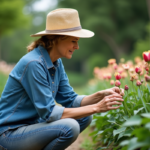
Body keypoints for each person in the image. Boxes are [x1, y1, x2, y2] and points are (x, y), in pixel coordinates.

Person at [0, 8, 124, 150]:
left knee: (85, 116)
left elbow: (70, 100)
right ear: (56, 38)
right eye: (73, 41)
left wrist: (100, 95)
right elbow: (50, 113)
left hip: (32, 127)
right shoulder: (33, 63)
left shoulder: (56, 62)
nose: (77, 46)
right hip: (9, 134)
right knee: (69, 127)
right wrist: (97, 107)